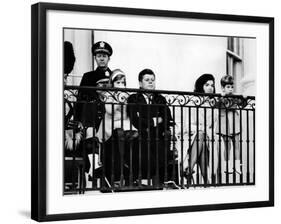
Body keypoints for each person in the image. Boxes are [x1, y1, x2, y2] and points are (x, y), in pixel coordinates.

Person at [127, 69, 175, 187]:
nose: (150, 82)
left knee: (161, 145)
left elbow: (167, 117)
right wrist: (155, 120)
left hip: (158, 135)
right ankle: (144, 181)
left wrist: (146, 120)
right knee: (143, 145)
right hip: (141, 135)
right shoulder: (133, 98)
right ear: (140, 83)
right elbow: (135, 120)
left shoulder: (160, 99)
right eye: (147, 80)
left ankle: (162, 182)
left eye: (152, 80)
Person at [181, 74, 216, 186]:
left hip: (207, 138)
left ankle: (189, 170)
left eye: (212, 85)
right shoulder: (193, 101)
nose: (210, 87)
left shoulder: (213, 104)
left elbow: (213, 127)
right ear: (201, 86)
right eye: (207, 85)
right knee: (201, 136)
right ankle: (206, 180)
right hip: (191, 137)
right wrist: (203, 130)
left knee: (203, 138)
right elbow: (188, 126)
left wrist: (205, 131)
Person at [63, 41, 90, 190]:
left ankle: (79, 180)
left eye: (67, 77)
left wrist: (76, 126)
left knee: (80, 144)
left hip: (67, 136)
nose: (66, 80)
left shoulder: (67, 99)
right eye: (64, 77)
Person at [75, 41, 113, 131]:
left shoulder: (114, 76)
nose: (102, 59)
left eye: (104, 56)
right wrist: (77, 120)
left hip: (110, 116)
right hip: (91, 117)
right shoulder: (87, 76)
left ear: (109, 58)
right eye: (99, 56)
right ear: (95, 58)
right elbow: (80, 99)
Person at [216, 75, 241, 176]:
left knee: (237, 146)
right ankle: (227, 166)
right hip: (224, 125)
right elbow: (217, 105)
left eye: (232, 87)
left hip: (235, 123)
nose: (230, 89)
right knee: (228, 147)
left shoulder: (235, 97)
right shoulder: (221, 98)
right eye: (228, 87)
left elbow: (242, 103)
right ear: (223, 88)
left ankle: (237, 166)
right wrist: (222, 97)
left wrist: (243, 96)